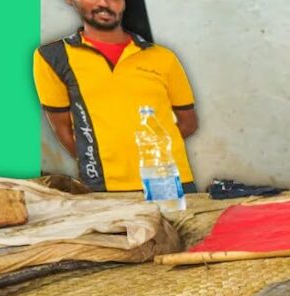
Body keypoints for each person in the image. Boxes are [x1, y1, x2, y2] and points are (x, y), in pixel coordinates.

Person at [34, 0, 198, 193]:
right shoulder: (54, 56)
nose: (105, 3)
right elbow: (63, 129)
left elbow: (188, 123)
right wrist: (103, 159)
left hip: (170, 180)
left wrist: (154, 150)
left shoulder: (163, 57)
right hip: (104, 187)